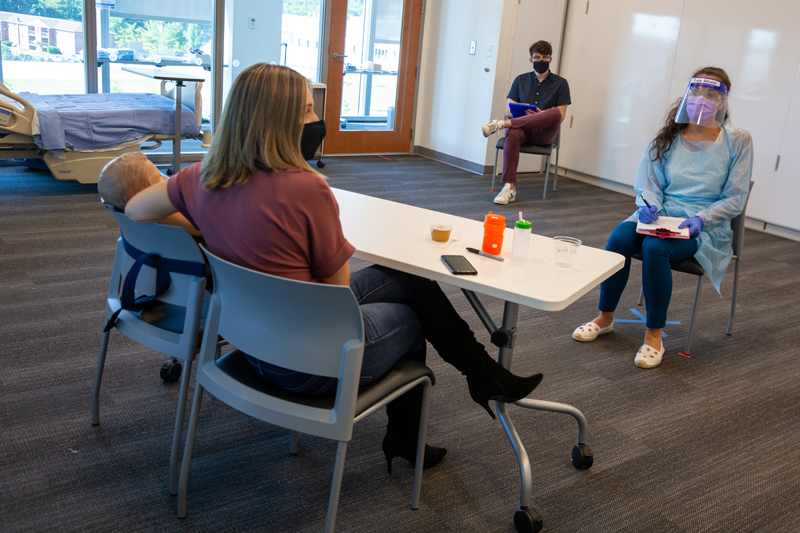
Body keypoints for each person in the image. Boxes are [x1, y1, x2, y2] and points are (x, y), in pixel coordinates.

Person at [125, 64, 543, 473]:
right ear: (278, 122)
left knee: (412, 280)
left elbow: (135, 208)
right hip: (305, 362)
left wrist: (205, 222)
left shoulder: (201, 178)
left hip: (248, 338)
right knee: (412, 318)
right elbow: (337, 295)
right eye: (307, 109)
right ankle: (410, 436)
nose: (316, 119)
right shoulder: (307, 189)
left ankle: (483, 374)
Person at [572, 67, 752, 369]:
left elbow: (735, 197)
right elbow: (650, 183)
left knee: (656, 248)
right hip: (661, 216)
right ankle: (605, 317)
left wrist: (702, 219)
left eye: (711, 94)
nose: (702, 99)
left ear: (723, 101)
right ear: (688, 94)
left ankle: (654, 335)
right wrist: (649, 204)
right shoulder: (671, 135)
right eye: (696, 92)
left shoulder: (738, 141)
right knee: (618, 238)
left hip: (703, 226)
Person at [481, 40, 571, 205]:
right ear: (531, 60)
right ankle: (509, 188)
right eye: (536, 57)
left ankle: (501, 125)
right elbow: (508, 111)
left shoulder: (561, 83)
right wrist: (523, 112)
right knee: (514, 132)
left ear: (551, 59)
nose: (540, 60)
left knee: (554, 112)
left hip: (543, 134)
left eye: (544, 57)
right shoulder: (520, 80)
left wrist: (540, 114)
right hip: (521, 132)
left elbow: (561, 116)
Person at [97, 152, 200, 237]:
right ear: (145, 196)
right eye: (159, 176)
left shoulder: (139, 216)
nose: (166, 178)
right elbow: (208, 230)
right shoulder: (172, 216)